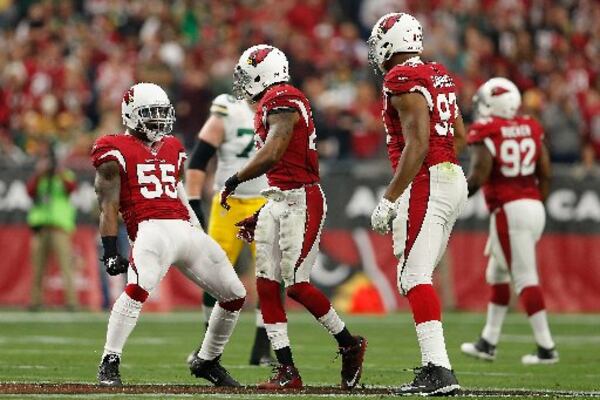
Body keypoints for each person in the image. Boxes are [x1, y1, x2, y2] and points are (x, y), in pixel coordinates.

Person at [221, 44, 367, 390]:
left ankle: (349, 343)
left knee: (297, 284)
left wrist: (235, 178)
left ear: (265, 72)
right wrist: (264, 210)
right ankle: (287, 370)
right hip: (279, 198)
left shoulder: (284, 97)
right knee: (266, 283)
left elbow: (274, 153)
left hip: (303, 198)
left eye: (248, 75)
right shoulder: (272, 102)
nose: (243, 83)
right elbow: (278, 170)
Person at [91, 82, 246, 387]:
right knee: (138, 289)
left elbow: (177, 190)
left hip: (182, 226)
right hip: (150, 229)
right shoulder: (113, 148)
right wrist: (110, 250)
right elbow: (108, 204)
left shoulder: (173, 146)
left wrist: (198, 230)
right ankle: (109, 360)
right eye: (151, 114)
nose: (159, 121)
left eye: (163, 113)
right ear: (131, 115)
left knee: (235, 294)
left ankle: (207, 360)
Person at [367, 13, 468, 395]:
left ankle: (438, 370)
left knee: (413, 276)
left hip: (429, 177)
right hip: (450, 175)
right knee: (416, 274)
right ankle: (437, 367)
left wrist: (390, 197)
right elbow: (459, 133)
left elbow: (419, 143)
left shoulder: (401, 78)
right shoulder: (437, 73)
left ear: (391, 42)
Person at [460, 77, 558, 365]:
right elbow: (546, 172)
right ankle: (488, 341)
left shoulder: (486, 130)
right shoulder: (530, 125)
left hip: (508, 208)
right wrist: (535, 202)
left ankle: (546, 347)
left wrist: (453, 198)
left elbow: (478, 175)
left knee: (525, 277)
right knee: (498, 273)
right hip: (533, 204)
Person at [185, 93, 273, 367]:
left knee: (271, 275)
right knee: (214, 275)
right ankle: (207, 347)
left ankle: (262, 347)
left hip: (266, 201)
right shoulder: (229, 110)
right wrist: (193, 199)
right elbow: (199, 158)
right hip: (229, 203)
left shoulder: (280, 109)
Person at [27, 144, 78, 311]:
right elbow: (30, 191)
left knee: (66, 267)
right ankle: (36, 301)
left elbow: (71, 188)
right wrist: (39, 173)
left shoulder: (64, 175)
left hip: (59, 228)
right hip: (41, 227)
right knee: (38, 267)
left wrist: (59, 171)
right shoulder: (40, 177)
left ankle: (71, 302)